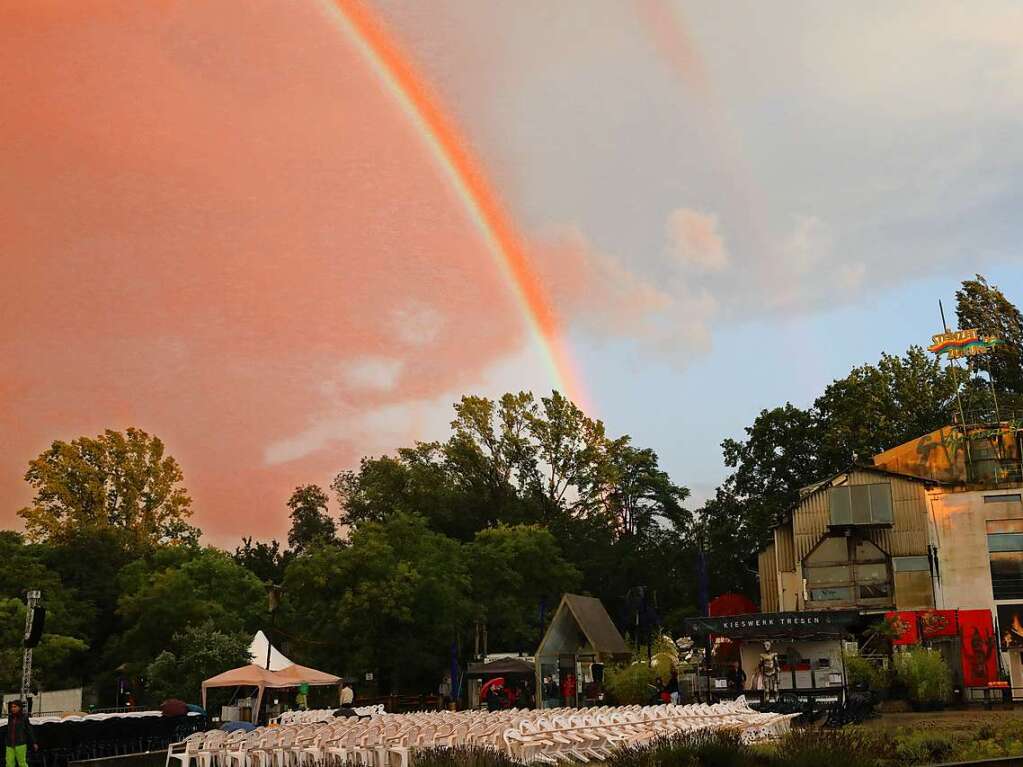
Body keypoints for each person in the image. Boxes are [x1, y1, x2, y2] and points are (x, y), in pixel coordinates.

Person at [6, 700, 37, 767]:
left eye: (15, 707)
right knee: (9, 763)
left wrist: (34, 742)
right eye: (12, 707)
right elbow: (9, 730)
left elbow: (29, 730)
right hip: (9, 744)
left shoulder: (24, 717)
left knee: (22, 763)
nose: (13, 708)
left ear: (19, 707)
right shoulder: (10, 717)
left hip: (20, 744)